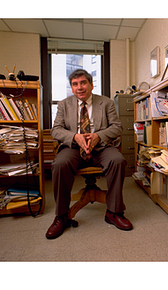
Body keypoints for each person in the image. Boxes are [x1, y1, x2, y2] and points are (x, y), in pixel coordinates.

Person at [46, 69, 133, 239]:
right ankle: (62, 217)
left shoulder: (106, 103)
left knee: (117, 160)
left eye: (83, 83)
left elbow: (117, 127)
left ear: (91, 85)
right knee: (59, 164)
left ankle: (114, 212)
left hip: (101, 147)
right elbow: (55, 130)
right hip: (73, 148)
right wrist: (75, 137)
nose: (79, 87)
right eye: (75, 84)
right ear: (71, 88)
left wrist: (98, 136)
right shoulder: (64, 104)